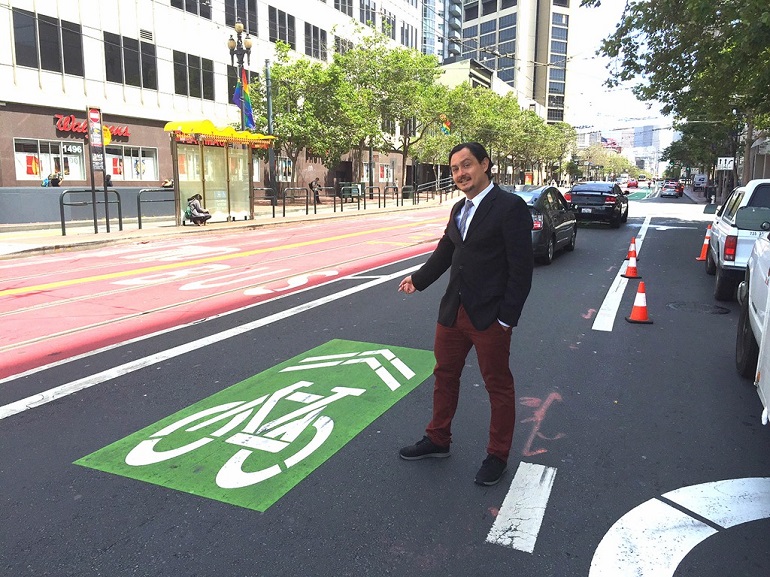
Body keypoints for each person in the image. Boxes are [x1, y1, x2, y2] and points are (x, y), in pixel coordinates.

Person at [397, 142, 534, 486]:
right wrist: (418, 279)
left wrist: (506, 318)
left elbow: (522, 269)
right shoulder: (459, 208)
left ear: (485, 165)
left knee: (497, 386)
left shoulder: (510, 207)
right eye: (455, 168)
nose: (460, 173)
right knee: (444, 377)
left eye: (467, 165)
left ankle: (497, 455)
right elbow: (446, 251)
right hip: (453, 311)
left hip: (490, 317)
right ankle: (438, 439)